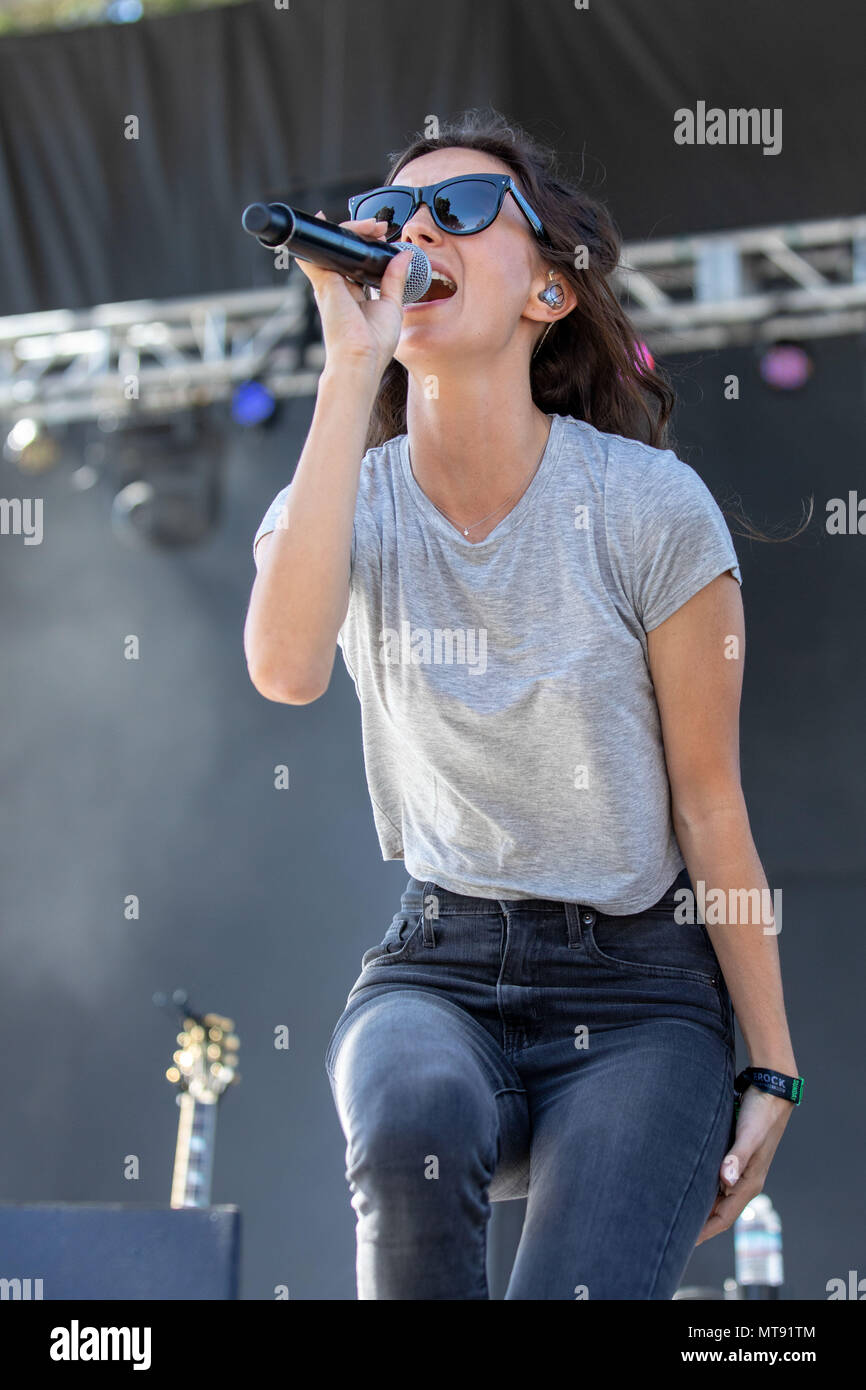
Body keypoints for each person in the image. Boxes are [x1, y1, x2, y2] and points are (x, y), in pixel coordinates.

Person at [244, 109, 800, 1300]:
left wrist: (773, 1066)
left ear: (547, 291)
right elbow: (285, 668)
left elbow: (709, 802)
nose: (410, 236)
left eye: (455, 213)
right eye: (389, 216)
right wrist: (351, 365)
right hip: (437, 965)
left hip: (643, 992)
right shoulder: (349, 498)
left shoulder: (649, 507)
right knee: (405, 1125)